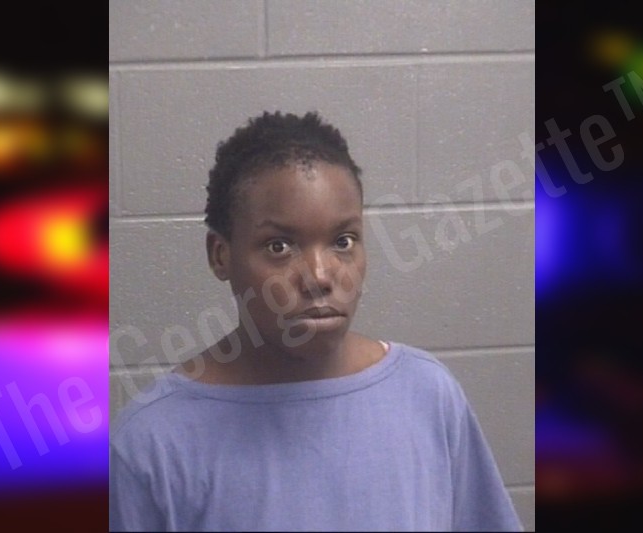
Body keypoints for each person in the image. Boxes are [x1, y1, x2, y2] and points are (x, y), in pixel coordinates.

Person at [109, 111, 522, 532]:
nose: (320, 276)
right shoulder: (152, 444)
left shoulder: (427, 395)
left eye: (343, 241)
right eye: (279, 246)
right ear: (220, 255)